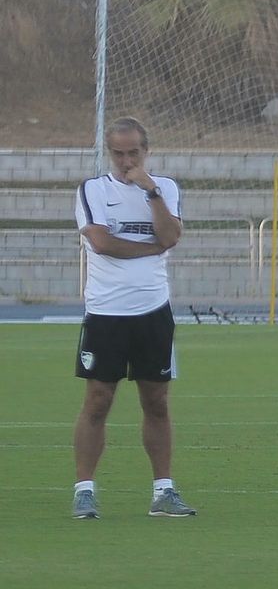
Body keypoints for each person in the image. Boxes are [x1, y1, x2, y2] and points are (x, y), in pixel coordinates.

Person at [71, 117, 197, 520]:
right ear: (109, 152)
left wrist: (151, 191)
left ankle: (164, 492)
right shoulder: (92, 190)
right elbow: (102, 242)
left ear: (146, 151)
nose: (126, 160)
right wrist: (151, 249)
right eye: (118, 153)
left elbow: (171, 236)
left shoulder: (166, 188)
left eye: (133, 153)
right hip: (106, 313)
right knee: (97, 401)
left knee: (157, 403)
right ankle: (84, 490)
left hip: (153, 312)